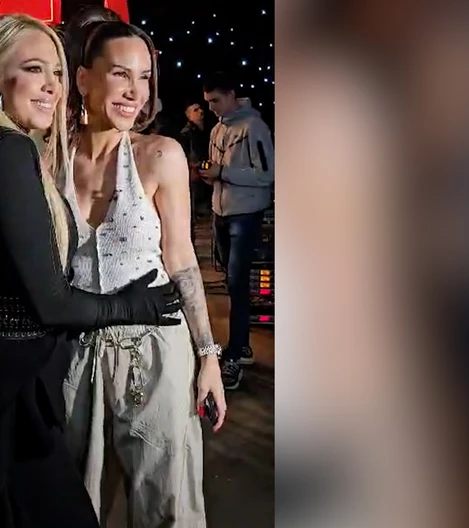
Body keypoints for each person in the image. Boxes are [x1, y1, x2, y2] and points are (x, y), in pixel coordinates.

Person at [0, 14, 182, 528]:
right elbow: (50, 303)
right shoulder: (8, 150)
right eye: (33, 69)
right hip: (3, 391)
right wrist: (133, 304)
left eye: (57, 71)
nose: (52, 85)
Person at [61, 9, 226, 526]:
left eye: (145, 77)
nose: (135, 91)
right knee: (76, 500)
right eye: (120, 74)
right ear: (83, 79)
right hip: (76, 353)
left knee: (165, 502)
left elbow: (181, 257)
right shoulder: (49, 159)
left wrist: (208, 356)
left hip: (155, 349)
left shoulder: (160, 155)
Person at [199, 72, 275, 390]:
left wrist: (224, 172)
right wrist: (210, 174)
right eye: (208, 102)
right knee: (232, 283)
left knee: (238, 283)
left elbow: (267, 173)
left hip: (245, 214)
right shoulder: (218, 129)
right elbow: (218, 169)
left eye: (216, 100)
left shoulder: (253, 127)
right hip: (222, 212)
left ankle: (235, 352)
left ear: (231, 95)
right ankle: (239, 347)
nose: (212, 107)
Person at [179, 100, 210, 243]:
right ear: (188, 115)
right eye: (195, 110)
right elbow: (186, 156)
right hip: (195, 176)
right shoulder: (187, 134)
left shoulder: (205, 131)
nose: (200, 112)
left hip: (205, 175)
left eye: (200, 109)